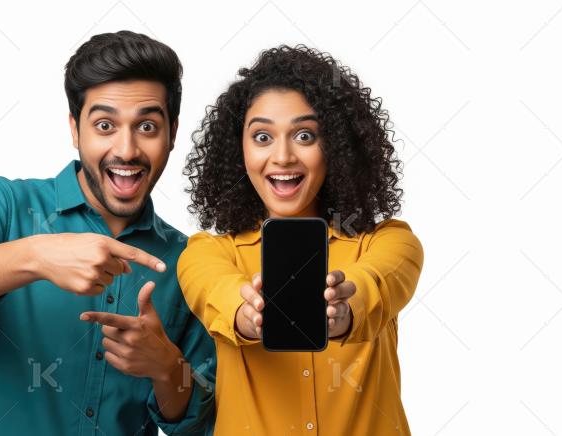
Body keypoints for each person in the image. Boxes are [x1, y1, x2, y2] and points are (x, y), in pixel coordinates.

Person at [0, 30, 215, 435]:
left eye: (147, 127)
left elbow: (202, 420)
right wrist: (35, 257)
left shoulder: (189, 260)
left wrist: (167, 368)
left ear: (171, 134)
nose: (127, 149)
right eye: (104, 125)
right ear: (74, 128)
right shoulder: (3, 204)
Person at [177, 45, 424, 434]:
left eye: (305, 135)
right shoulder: (205, 253)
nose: (283, 156)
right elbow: (215, 292)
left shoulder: (390, 242)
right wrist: (248, 315)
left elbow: (377, 284)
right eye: (262, 137)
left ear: (337, 147)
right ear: (237, 149)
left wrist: (345, 311)